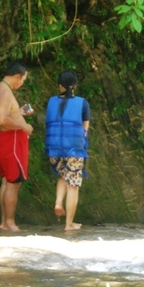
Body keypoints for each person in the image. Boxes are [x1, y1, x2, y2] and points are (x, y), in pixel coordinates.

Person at [0, 61, 34, 232]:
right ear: (17, 76)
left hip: (2, 139)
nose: (21, 84)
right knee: (14, 183)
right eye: (23, 80)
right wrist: (24, 126)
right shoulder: (5, 92)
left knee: (6, 182)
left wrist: (17, 113)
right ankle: (11, 223)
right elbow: (0, 119)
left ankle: (4, 223)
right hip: (12, 141)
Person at [45, 70, 91, 231]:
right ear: (75, 86)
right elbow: (85, 129)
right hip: (74, 151)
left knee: (63, 175)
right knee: (73, 185)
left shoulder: (51, 101)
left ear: (60, 86)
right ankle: (69, 224)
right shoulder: (82, 103)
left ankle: (58, 202)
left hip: (54, 150)